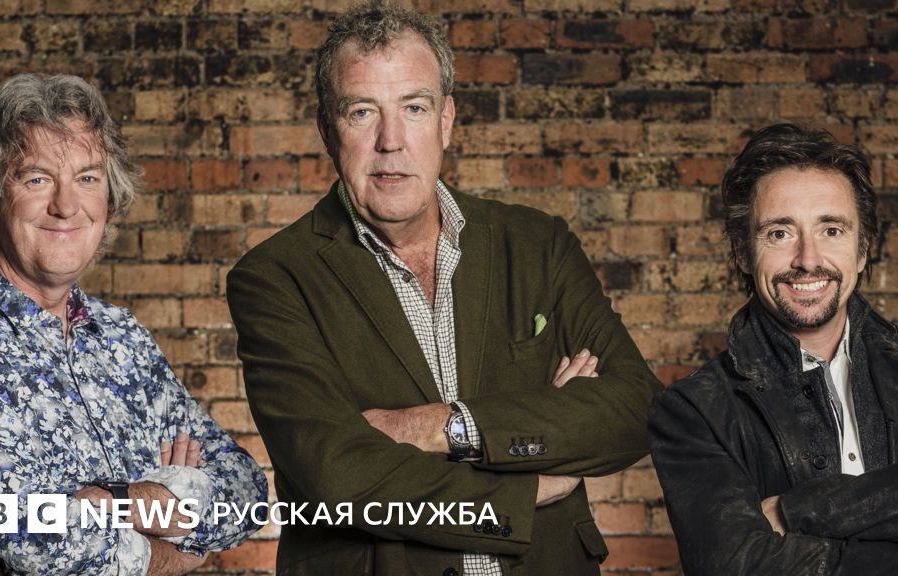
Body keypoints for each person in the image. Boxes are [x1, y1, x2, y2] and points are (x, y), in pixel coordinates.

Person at [226, 3, 660, 575]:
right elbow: (339, 478)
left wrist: (443, 427)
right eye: (362, 112)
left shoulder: (538, 244)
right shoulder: (274, 278)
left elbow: (635, 408)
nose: (391, 140)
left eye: (414, 107)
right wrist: (528, 484)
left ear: (446, 120)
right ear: (327, 130)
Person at [0, 73, 268, 575]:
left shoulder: (123, 337)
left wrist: (109, 500)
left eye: (87, 178)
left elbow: (247, 495)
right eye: (37, 179)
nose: (66, 205)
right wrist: (171, 547)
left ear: (108, 199)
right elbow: (35, 537)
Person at [649, 123, 898, 574]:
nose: (808, 259)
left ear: (862, 250)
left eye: (831, 230)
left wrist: (796, 511)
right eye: (780, 233)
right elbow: (734, 564)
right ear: (743, 252)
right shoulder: (693, 412)